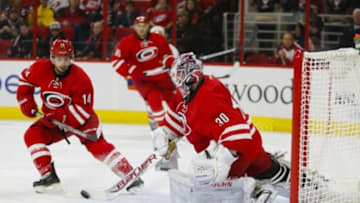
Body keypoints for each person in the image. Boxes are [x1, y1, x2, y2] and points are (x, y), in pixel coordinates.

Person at [152, 52, 291, 201]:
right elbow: (180, 116)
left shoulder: (209, 97)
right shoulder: (190, 92)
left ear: (191, 74)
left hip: (239, 148)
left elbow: (239, 134)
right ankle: (285, 177)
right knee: (265, 169)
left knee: (204, 175)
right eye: (175, 76)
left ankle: (256, 192)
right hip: (243, 145)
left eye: (179, 75)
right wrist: (165, 133)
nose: (176, 81)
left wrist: (222, 161)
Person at [16, 39, 143, 193]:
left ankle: (130, 175)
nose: (63, 63)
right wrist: (26, 101)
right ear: (52, 57)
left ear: (72, 58)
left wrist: (61, 117)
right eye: (59, 58)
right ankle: (48, 176)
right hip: (53, 120)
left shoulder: (81, 78)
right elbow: (25, 80)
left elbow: (83, 109)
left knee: (97, 145)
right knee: (32, 135)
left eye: (66, 58)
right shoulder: (40, 68)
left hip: (83, 120)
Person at [111, 15, 177, 171]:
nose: (141, 29)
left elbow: (168, 56)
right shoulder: (127, 42)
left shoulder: (159, 40)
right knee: (154, 104)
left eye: (144, 26)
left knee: (176, 104)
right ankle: (162, 138)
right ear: (134, 27)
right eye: (139, 26)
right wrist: (132, 71)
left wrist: (169, 64)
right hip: (144, 81)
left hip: (163, 77)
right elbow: (116, 61)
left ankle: (176, 130)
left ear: (148, 26)